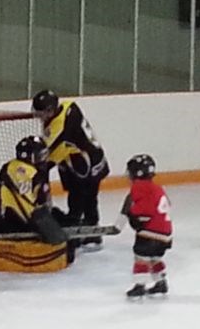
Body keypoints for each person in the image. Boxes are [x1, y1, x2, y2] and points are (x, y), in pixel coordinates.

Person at [31, 90, 109, 249]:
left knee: (84, 198)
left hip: (87, 163)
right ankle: (84, 228)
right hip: (77, 161)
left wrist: (39, 169)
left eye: (41, 113)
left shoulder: (61, 128)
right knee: (81, 197)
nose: (39, 117)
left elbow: (51, 150)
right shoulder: (68, 106)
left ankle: (90, 234)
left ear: (50, 111)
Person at [0, 135, 67, 246]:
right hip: (7, 225)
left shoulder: (10, 166)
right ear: (30, 157)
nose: (43, 159)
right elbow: (31, 209)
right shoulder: (29, 173)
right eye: (40, 156)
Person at [121, 154, 172, 298]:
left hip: (150, 231)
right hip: (165, 233)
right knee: (155, 257)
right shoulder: (157, 188)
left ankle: (140, 285)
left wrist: (132, 214)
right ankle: (161, 282)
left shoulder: (139, 187)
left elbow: (142, 209)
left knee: (141, 258)